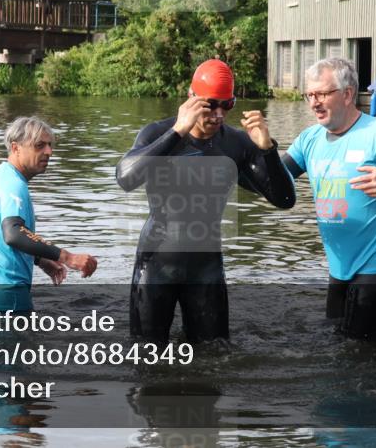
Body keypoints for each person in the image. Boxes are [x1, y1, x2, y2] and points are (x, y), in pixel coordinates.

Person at [115, 59, 296, 344]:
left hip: (206, 267)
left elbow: (285, 199)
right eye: (211, 105)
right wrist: (177, 132)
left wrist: (268, 149)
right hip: (156, 263)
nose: (219, 114)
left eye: (228, 105)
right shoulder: (157, 133)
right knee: (146, 361)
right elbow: (126, 178)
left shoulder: (236, 144)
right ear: (192, 98)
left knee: (213, 359)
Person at [281, 57, 376, 339]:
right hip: (339, 266)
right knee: (336, 342)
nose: (314, 102)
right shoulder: (309, 139)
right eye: (310, 95)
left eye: (323, 94)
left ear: (348, 94)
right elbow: (276, 183)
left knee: (360, 351)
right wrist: (260, 150)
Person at [0, 117, 98, 312]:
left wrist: (40, 260)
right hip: (5, 299)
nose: (49, 152)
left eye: (50, 145)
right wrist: (67, 257)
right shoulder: (14, 185)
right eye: (39, 145)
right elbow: (14, 233)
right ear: (16, 148)